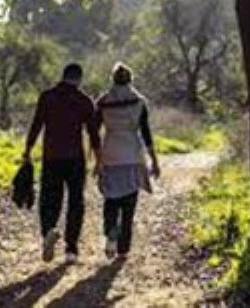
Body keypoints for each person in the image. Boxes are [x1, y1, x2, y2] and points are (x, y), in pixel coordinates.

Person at [22, 62, 100, 262]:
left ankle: (48, 230)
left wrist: (28, 150)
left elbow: (36, 124)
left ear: (63, 76)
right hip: (75, 158)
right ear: (79, 79)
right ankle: (71, 250)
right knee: (76, 201)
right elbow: (93, 134)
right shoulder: (84, 100)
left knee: (49, 198)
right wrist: (99, 160)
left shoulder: (47, 97)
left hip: (51, 157)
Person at [94, 62, 161, 261]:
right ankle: (123, 248)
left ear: (112, 79)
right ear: (131, 80)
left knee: (111, 200)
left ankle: (110, 235)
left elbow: (94, 133)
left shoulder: (103, 101)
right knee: (129, 204)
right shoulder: (139, 101)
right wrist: (154, 160)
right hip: (132, 154)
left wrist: (97, 160)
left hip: (110, 153)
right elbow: (146, 133)